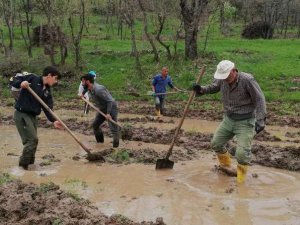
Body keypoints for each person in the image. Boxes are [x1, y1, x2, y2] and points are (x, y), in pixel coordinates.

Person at [193, 60, 267, 183]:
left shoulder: (247, 80)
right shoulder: (222, 79)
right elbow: (214, 87)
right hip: (229, 119)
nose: (225, 79)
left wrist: (261, 120)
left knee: (242, 154)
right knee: (216, 143)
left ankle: (240, 183)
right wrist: (201, 89)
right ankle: (226, 166)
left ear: (233, 70)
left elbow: (259, 99)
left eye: (227, 76)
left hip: (245, 121)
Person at [10, 66, 63, 170]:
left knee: (34, 141)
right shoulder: (32, 78)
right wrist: (21, 84)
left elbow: (47, 107)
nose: (56, 81)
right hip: (22, 114)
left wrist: (54, 120)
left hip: (33, 116)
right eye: (55, 78)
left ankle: (30, 164)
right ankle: (23, 165)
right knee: (32, 140)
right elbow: (13, 79)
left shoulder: (47, 90)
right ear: (49, 75)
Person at [80, 74, 120, 148]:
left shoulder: (99, 89)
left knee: (113, 129)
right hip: (102, 109)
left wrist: (108, 113)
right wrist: (82, 94)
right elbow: (86, 89)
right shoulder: (89, 87)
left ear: (88, 82)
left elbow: (110, 101)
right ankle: (100, 144)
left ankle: (115, 149)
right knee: (95, 125)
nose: (82, 83)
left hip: (111, 108)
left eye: (83, 81)